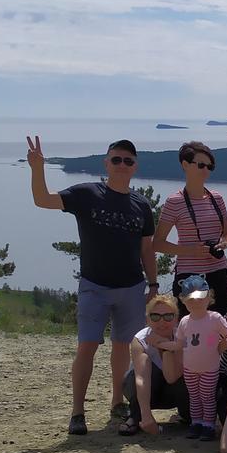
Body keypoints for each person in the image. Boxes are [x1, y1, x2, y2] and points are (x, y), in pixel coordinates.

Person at [26, 135, 157, 436]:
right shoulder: (87, 193)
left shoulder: (141, 205)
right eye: (116, 159)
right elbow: (42, 199)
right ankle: (77, 412)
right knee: (86, 346)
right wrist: (37, 168)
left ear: (135, 167)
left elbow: (147, 249)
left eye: (128, 161)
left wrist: (152, 284)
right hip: (94, 286)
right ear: (106, 163)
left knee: (123, 347)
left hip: (131, 288)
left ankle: (117, 403)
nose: (122, 165)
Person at [154, 140, 227, 314]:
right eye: (201, 165)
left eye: (210, 167)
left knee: (220, 323)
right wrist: (191, 251)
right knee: (190, 325)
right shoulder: (175, 202)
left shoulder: (217, 198)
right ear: (185, 165)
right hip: (189, 277)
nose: (206, 170)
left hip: (218, 272)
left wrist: (224, 243)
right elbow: (158, 243)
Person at [174, 274, 227, 440]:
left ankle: (208, 425)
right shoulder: (184, 321)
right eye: (191, 299)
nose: (196, 302)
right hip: (189, 368)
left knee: (207, 396)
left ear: (209, 297)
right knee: (194, 397)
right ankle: (196, 423)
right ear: (183, 300)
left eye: (200, 297)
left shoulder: (214, 318)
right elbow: (179, 344)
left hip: (210, 368)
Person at [119, 293, 189, 437]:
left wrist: (165, 346)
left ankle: (187, 415)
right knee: (143, 369)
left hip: (172, 390)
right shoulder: (140, 339)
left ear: (176, 319)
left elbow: (172, 377)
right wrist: (147, 416)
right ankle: (137, 415)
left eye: (168, 316)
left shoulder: (182, 338)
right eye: (155, 316)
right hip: (145, 390)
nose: (162, 322)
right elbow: (141, 378)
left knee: (186, 377)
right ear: (147, 319)